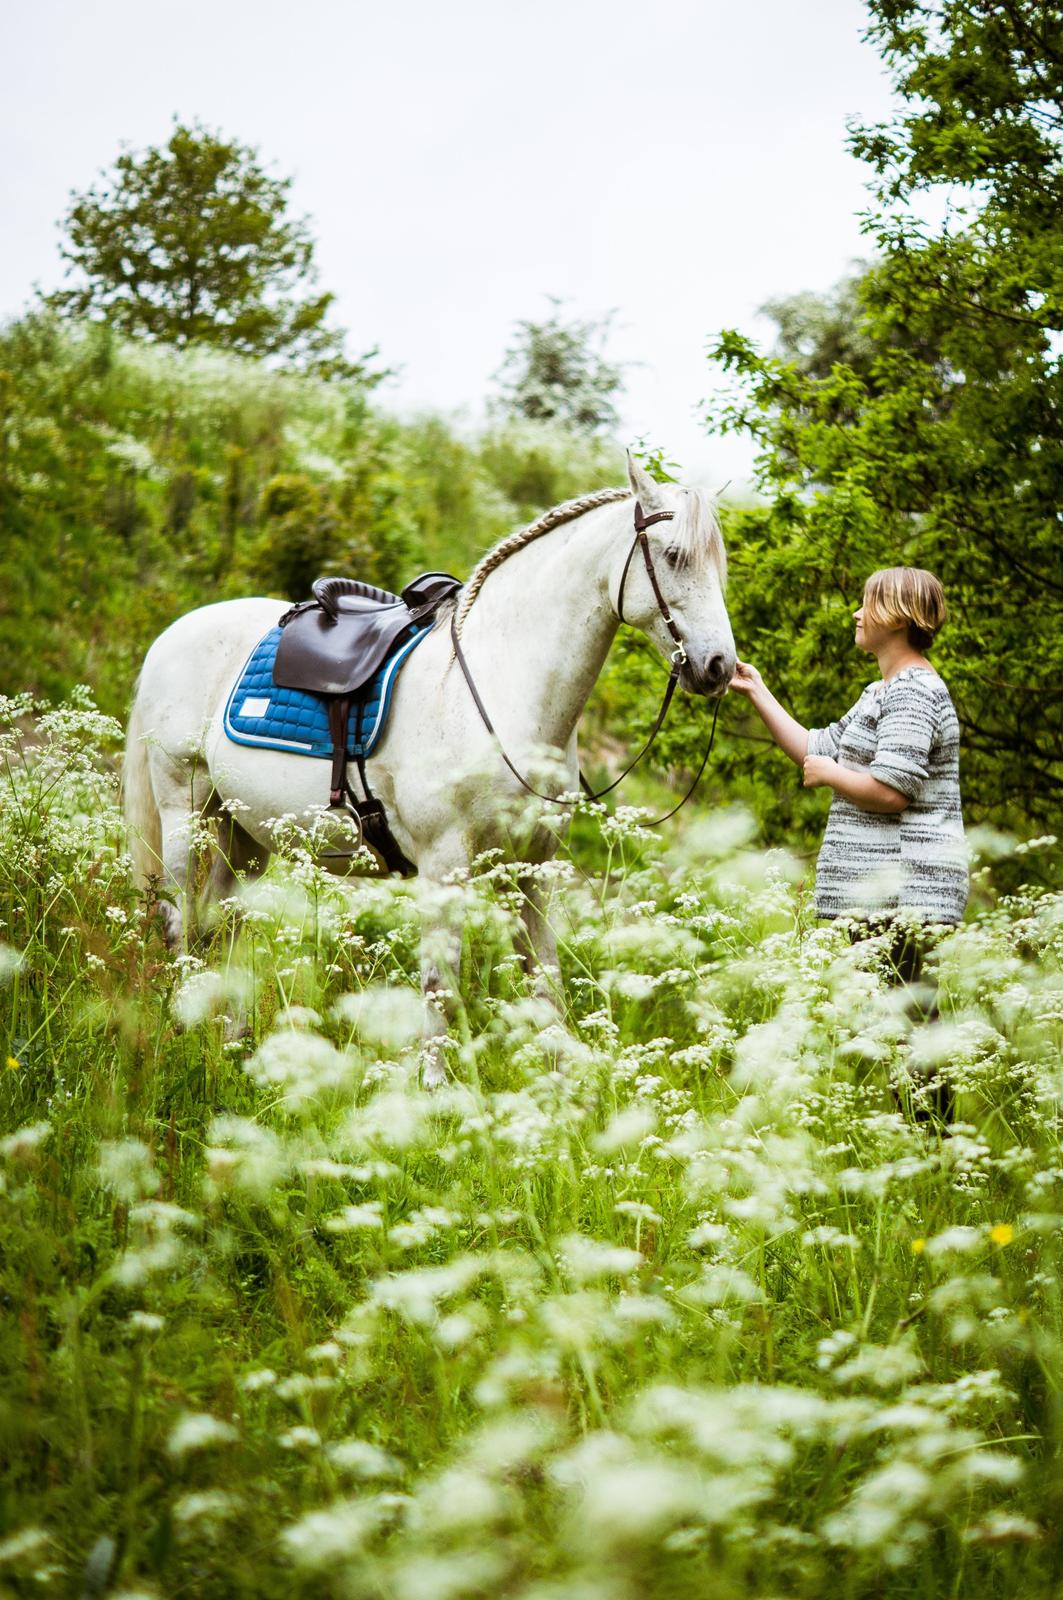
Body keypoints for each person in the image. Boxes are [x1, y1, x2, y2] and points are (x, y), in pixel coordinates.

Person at [729, 567, 967, 1116]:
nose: (857, 614)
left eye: (868, 604)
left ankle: (935, 1156)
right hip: (880, 891)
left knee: (911, 1029)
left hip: (907, 891)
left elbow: (891, 791)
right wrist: (757, 691)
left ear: (900, 617)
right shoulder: (880, 691)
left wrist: (830, 776)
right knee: (895, 1027)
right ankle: (921, 1156)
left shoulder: (914, 692)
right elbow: (818, 746)